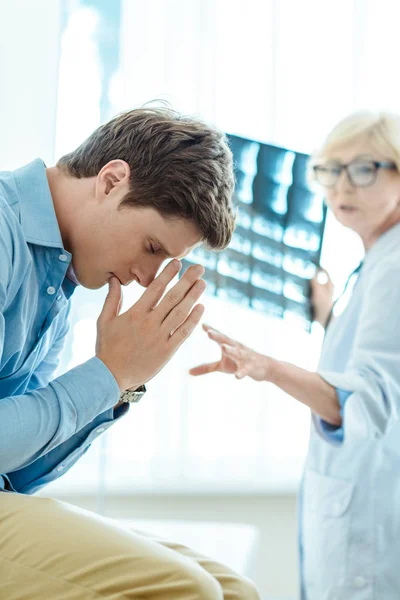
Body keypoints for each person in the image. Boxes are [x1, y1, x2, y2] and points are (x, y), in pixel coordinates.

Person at [0, 107, 260, 600]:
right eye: (151, 246)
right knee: (188, 591)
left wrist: (122, 384)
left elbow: (18, 471)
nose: (147, 276)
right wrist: (106, 374)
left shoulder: (60, 281)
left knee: (234, 589)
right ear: (112, 180)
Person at [190, 110, 400, 600]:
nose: (341, 187)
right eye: (330, 170)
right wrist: (330, 318)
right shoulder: (375, 264)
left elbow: (367, 400)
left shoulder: (392, 268)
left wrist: (266, 368)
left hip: (371, 521)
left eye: (364, 168)